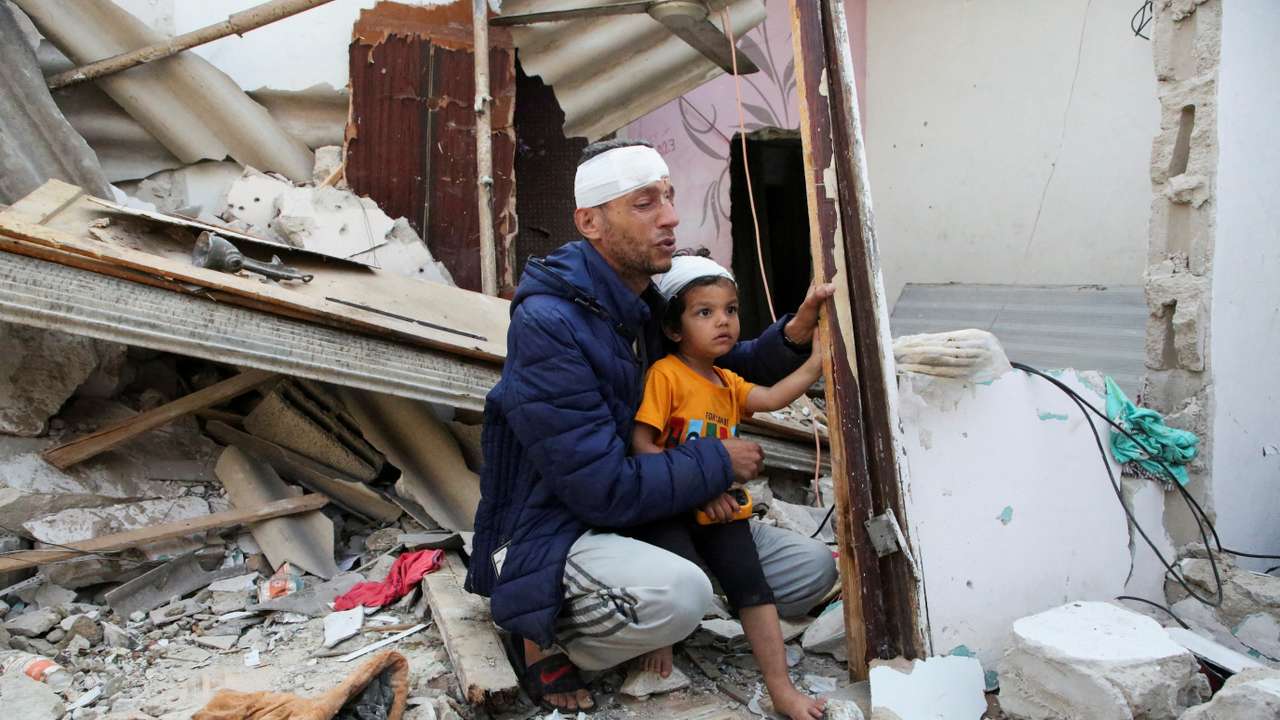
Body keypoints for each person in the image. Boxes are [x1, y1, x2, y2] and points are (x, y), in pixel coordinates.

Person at [466, 138, 838, 717]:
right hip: (565, 522)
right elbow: (600, 489)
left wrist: (797, 333)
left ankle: (669, 597)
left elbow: (726, 367)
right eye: (644, 203)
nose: (670, 216)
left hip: (661, 504)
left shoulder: (641, 302)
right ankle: (546, 639)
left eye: (667, 196)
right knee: (680, 592)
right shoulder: (549, 325)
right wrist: (716, 465)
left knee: (810, 573)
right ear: (590, 221)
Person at [627, 250, 826, 719]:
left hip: (723, 512)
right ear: (674, 329)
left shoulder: (726, 381)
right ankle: (661, 645)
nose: (723, 322)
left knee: (752, 588)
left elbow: (774, 395)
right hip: (671, 509)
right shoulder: (664, 375)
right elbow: (642, 444)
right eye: (705, 313)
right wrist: (697, 487)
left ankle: (781, 689)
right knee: (676, 578)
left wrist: (817, 362)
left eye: (731, 311)